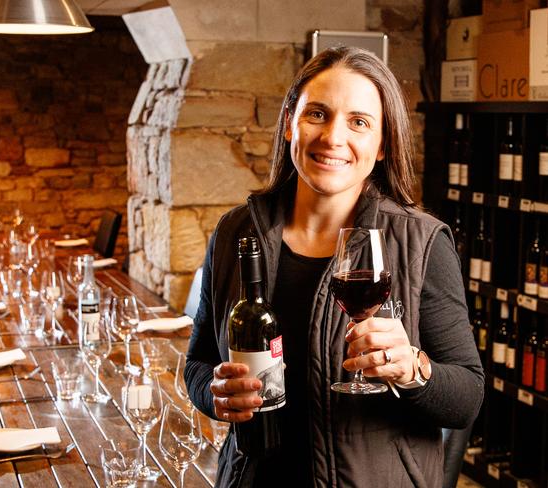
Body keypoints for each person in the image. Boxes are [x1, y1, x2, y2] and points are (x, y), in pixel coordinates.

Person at [184, 46, 484, 488]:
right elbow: (198, 362)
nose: (332, 138)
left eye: (359, 122)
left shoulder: (422, 242)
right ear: (290, 123)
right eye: (317, 114)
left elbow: (466, 397)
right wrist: (214, 392)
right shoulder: (235, 231)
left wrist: (413, 368)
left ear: (382, 146)